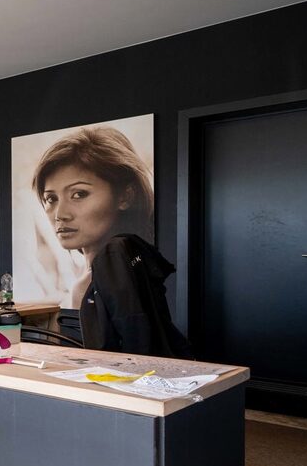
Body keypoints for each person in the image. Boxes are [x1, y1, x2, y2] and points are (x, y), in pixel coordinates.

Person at [31, 126, 191, 358]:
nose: (60, 214)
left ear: (125, 196)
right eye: (50, 199)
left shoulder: (103, 273)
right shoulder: (127, 258)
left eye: (79, 194)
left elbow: (129, 354)